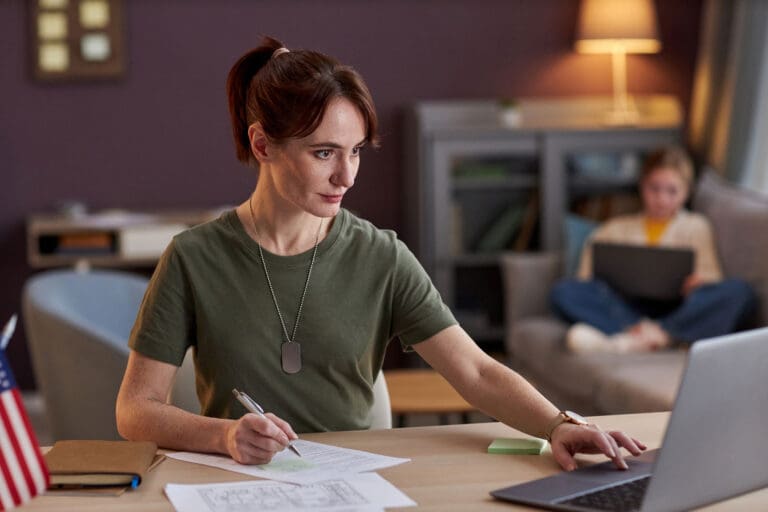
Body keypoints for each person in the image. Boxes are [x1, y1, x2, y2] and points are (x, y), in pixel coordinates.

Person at [116, 36, 645, 472]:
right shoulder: (192, 257)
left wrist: (559, 424)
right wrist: (225, 435)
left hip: (356, 484)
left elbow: (476, 373)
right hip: (241, 486)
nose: (346, 177)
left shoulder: (381, 256)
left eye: (355, 152)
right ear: (262, 146)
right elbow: (135, 410)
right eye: (324, 153)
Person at [551, 146, 755, 353]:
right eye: (654, 188)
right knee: (563, 291)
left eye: (672, 191)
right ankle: (653, 335)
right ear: (642, 186)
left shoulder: (697, 226)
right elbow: (586, 278)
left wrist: (697, 285)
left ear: (686, 192)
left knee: (740, 292)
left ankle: (650, 335)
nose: (662, 199)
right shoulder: (614, 229)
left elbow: (712, 280)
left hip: (678, 308)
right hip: (626, 308)